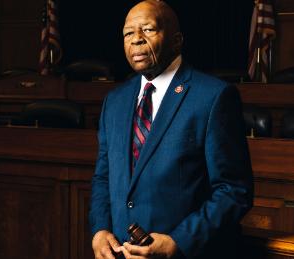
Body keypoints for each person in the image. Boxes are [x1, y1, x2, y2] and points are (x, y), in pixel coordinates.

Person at [89, 1, 253, 258]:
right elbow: (103, 176)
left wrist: (179, 241)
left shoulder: (214, 97)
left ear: (176, 41)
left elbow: (234, 190)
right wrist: (100, 229)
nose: (136, 40)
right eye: (128, 33)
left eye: (148, 30)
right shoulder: (115, 100)